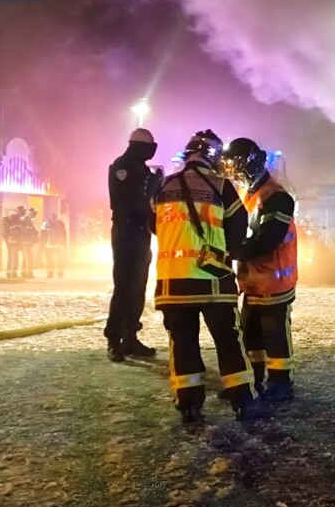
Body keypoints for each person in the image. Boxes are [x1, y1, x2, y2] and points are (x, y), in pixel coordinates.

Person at [153, 129, 270, 424]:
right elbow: (238, 223)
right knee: (228, 340)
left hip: (172, 283)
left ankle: (189, 403)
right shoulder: (221, 186)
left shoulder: (164, 185)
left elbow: (153, 225)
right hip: (213, 280)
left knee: (182, 341)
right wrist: (227, 249)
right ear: (213, 157)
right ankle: (242, 399)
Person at [224, 137, 298, 403]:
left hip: (275, 282)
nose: (234, 174)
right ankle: (254, 380)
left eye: (237, 167)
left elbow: (269, 238)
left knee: (274, 334)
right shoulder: (249, 194)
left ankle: (281, 382)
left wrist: (236, 250)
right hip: (254, 282)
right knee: (249, 333)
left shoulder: (277, 197)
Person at [106, 128, 163, 361]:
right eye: (148, 146)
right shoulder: (122, 167)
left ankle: (131, 337)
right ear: (138, 146)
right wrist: (152, 183)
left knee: (138, 287)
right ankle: (114, 340)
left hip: (141, 233)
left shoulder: (142, 169)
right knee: (123, 287)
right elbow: (124, 202)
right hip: (126, 231)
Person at [3, 206, 27, 278]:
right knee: (14, 257)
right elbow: (18, 230)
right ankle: (13, 273)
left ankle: (9, 272)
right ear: (20, 211)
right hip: (14, 240)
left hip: (8, 240)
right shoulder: (16, 218)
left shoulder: (10, 216)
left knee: (10, 257)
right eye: (23, 212)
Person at [43, 213, 68, 278]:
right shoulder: (60, 223)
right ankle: (60, 273)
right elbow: (64, 234)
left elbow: (43, 235)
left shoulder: (46, 223)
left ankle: (50, 273)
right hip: (59, 244)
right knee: (59, 259)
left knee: (49, 259)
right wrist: (64, 243)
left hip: (49, 244)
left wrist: (42, 244)